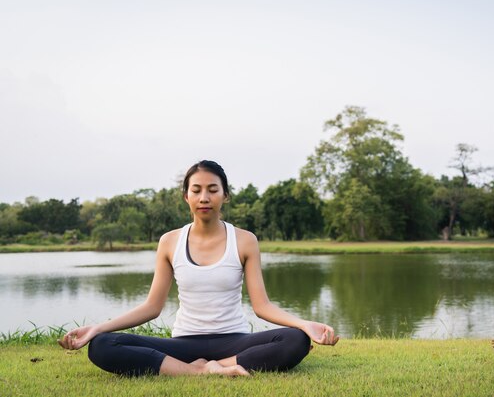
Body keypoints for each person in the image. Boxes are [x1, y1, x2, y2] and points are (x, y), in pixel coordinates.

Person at [58, 160, 339, 377]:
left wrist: (304, 324)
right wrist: (97, 329)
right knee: (103, 346)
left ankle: (215, 365)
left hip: (234, 341)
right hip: (184, 343)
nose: (204, 197)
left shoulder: (244, 240)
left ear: (225, 195)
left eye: (213, 190)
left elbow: (262, 306)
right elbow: (151, 307)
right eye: (197, 190)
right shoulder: (170, 242)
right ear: (186, 196)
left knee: (295, 341)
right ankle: (200, 370)